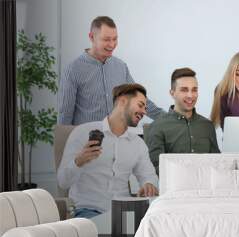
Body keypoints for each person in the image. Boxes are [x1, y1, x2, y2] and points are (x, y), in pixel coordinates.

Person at [57, 83, 159, 218]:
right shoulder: (82, 132)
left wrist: (149, 184)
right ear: (122, 101)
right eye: (140, 105)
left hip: (124, 212)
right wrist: (79, 161)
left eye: (145, 108)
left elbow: (148, 175)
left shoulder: (138, 144)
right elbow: (63, 182)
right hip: (88, 211)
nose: (144, 112)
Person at [57, 16, 164, 125]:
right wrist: (65, 141)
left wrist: (169, 119)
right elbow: (65, 114)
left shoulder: (121, 66)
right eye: (106, 39)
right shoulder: (73, 70)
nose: (112, 44)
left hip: (117, 138)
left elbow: (139, 99)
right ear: (92, 37)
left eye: (115, 39)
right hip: (87, 139)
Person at [145, 67, 220, 174]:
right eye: (184, 90)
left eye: (194, 90)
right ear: (172, 93)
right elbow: (154, 169)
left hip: (205, 188)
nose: (190, 95)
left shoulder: (207, 126)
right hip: (173, 189)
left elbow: (217, 163)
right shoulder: (157, 127)